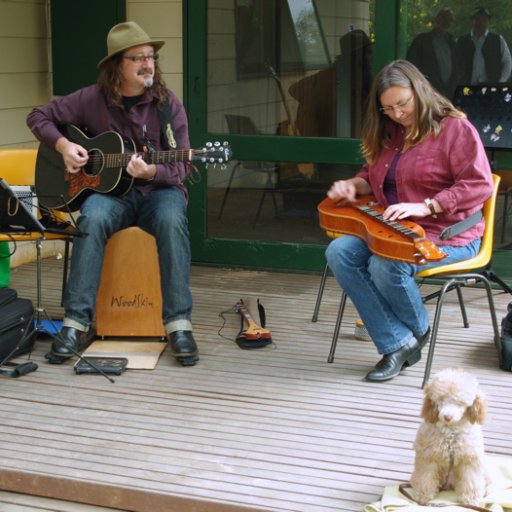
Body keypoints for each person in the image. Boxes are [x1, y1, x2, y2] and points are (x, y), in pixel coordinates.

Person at [27, 21, 199, 366]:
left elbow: (181, 167)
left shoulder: (168, 105)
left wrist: (151, 171)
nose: (148, 64)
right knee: (92, 217)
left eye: (150, 57)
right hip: (113, 195)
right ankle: (75, 323)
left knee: (170, 219)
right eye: (137, 58)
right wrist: (64, 146)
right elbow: (38, 116)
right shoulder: (91, 99)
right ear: (116, 66)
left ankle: (178, 324)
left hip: (158, 191)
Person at [324, 60, 493, 382]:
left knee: (386, 266)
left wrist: (428, 206)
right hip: (394, 231)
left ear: (420, 91)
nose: (397, 114)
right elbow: (371, 175)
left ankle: (409, 336)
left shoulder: (455, 129)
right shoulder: (388, 131)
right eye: (388, 109)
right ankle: (402, 341)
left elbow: (479, 185)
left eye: (403, 104)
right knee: (340, 251)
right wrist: (353, 185)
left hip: (449, 233)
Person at [407, 8, 458, 99]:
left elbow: (459, 67)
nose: (446, 22)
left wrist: (453, 85)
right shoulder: (421, 41)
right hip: (427, 91)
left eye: (450, 20)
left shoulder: (452, 42)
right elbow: (411, 65)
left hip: (449, 92)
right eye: (443, 18)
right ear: (437, 19)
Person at [456, 7, 512, 85]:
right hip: (468, 87)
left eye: (484, 20)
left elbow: (507, 62)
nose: (481, 23)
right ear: (472, 21)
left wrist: (501, 81)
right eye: (478, 20)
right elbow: (454, 64)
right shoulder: (462, 41)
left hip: (491, 88)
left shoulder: (497, 40)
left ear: (488, 22)